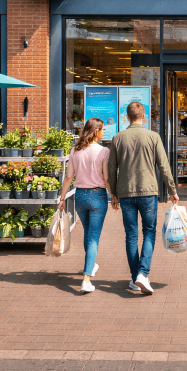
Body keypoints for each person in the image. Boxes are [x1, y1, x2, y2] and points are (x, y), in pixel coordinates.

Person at [108, 102, 179, 295]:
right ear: (144, 116)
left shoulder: (117, 138)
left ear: (126, 117)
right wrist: (172, 190)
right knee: (149, 232)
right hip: (148, 191)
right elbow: (163, 166)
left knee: (131, 235)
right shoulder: (153, 137)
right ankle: (142, 273)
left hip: (125, 192)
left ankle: (134, 278)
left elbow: (111, 169)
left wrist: (113, 193)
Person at [58, 117, 115, 293]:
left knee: (88, 233)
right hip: (97, 196)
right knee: (93, 238)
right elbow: (106, 178)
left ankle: (92, 264)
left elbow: (69, 177)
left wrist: (61, 198)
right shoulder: (103, 151)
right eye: (103, 129)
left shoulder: (75, 150)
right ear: (96, 131)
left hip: (80, 196)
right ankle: (86, 278)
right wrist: (113, 196)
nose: (104, 132)